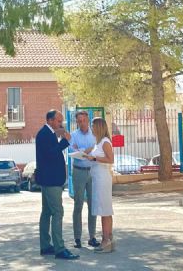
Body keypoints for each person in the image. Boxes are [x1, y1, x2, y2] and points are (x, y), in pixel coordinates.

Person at [35, 110, 79, 260]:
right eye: (59, 121)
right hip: (51, 181)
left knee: (47, 212)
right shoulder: (44, 134)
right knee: (57, 212)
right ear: (50, 120)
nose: (61, 124)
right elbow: (50, 154)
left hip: (50, 180)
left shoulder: (48, 133)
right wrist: (65, 142)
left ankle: (46, 246)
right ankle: (59, 249)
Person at [69, 111, 100, 249]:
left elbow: (97, 151)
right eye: (79, 121)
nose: (82, 123)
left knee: (92, 205)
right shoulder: (73, 135)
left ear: (88, 120)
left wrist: (84, 151)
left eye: (84, 120)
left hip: (92, 172)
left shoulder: (95, 135)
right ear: (77, 122)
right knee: (78, 205)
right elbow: (73, 152)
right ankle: (77, 238)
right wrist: (86, 151)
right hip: (79, 172)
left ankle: (92, 237)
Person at [85, 117, 115, 253]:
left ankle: (105, 240)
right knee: (104, 209)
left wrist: (95, 158)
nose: (91, 128)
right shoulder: (99, 142)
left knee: (104, 210)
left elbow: (110, 159)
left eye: (93, 125)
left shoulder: (105, 142)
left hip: (103, 178)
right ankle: (109, 239)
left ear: (99, 127)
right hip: (98, 178)